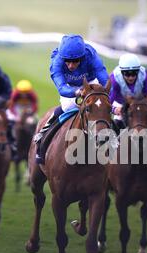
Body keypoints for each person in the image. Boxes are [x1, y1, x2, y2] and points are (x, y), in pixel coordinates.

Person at [34, 34, 109, 163]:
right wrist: (77, 92)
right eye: (67, 61)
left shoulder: (90, 55)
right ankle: (44, 134)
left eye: (75, 61)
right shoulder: (56, 61)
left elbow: (104, 78)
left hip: (91, 81)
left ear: (82, 57)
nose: (70, 65)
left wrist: (103, 92)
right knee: (67, 107)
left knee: (101, 106)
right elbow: (61, 87)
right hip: (70, 87)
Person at [109, 53, 147, 130]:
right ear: (121, 72)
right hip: (122, 105)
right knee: (116, 124)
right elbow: (108, 101)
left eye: (134, 73)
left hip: (142, 105)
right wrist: (114, 109)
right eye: (127, 74)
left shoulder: (146, 75)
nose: (130, 77)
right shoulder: (114, 78)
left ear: (138, 71)